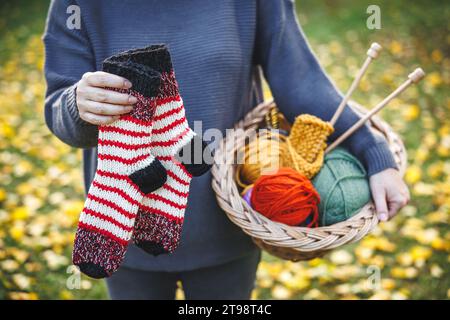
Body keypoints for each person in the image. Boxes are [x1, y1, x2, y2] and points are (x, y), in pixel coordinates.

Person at [43, 0, 409, 300]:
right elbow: (58, 110)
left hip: (229, 226)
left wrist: (374, 153)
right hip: (124, 229)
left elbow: (302, 83)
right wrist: (78, 104)